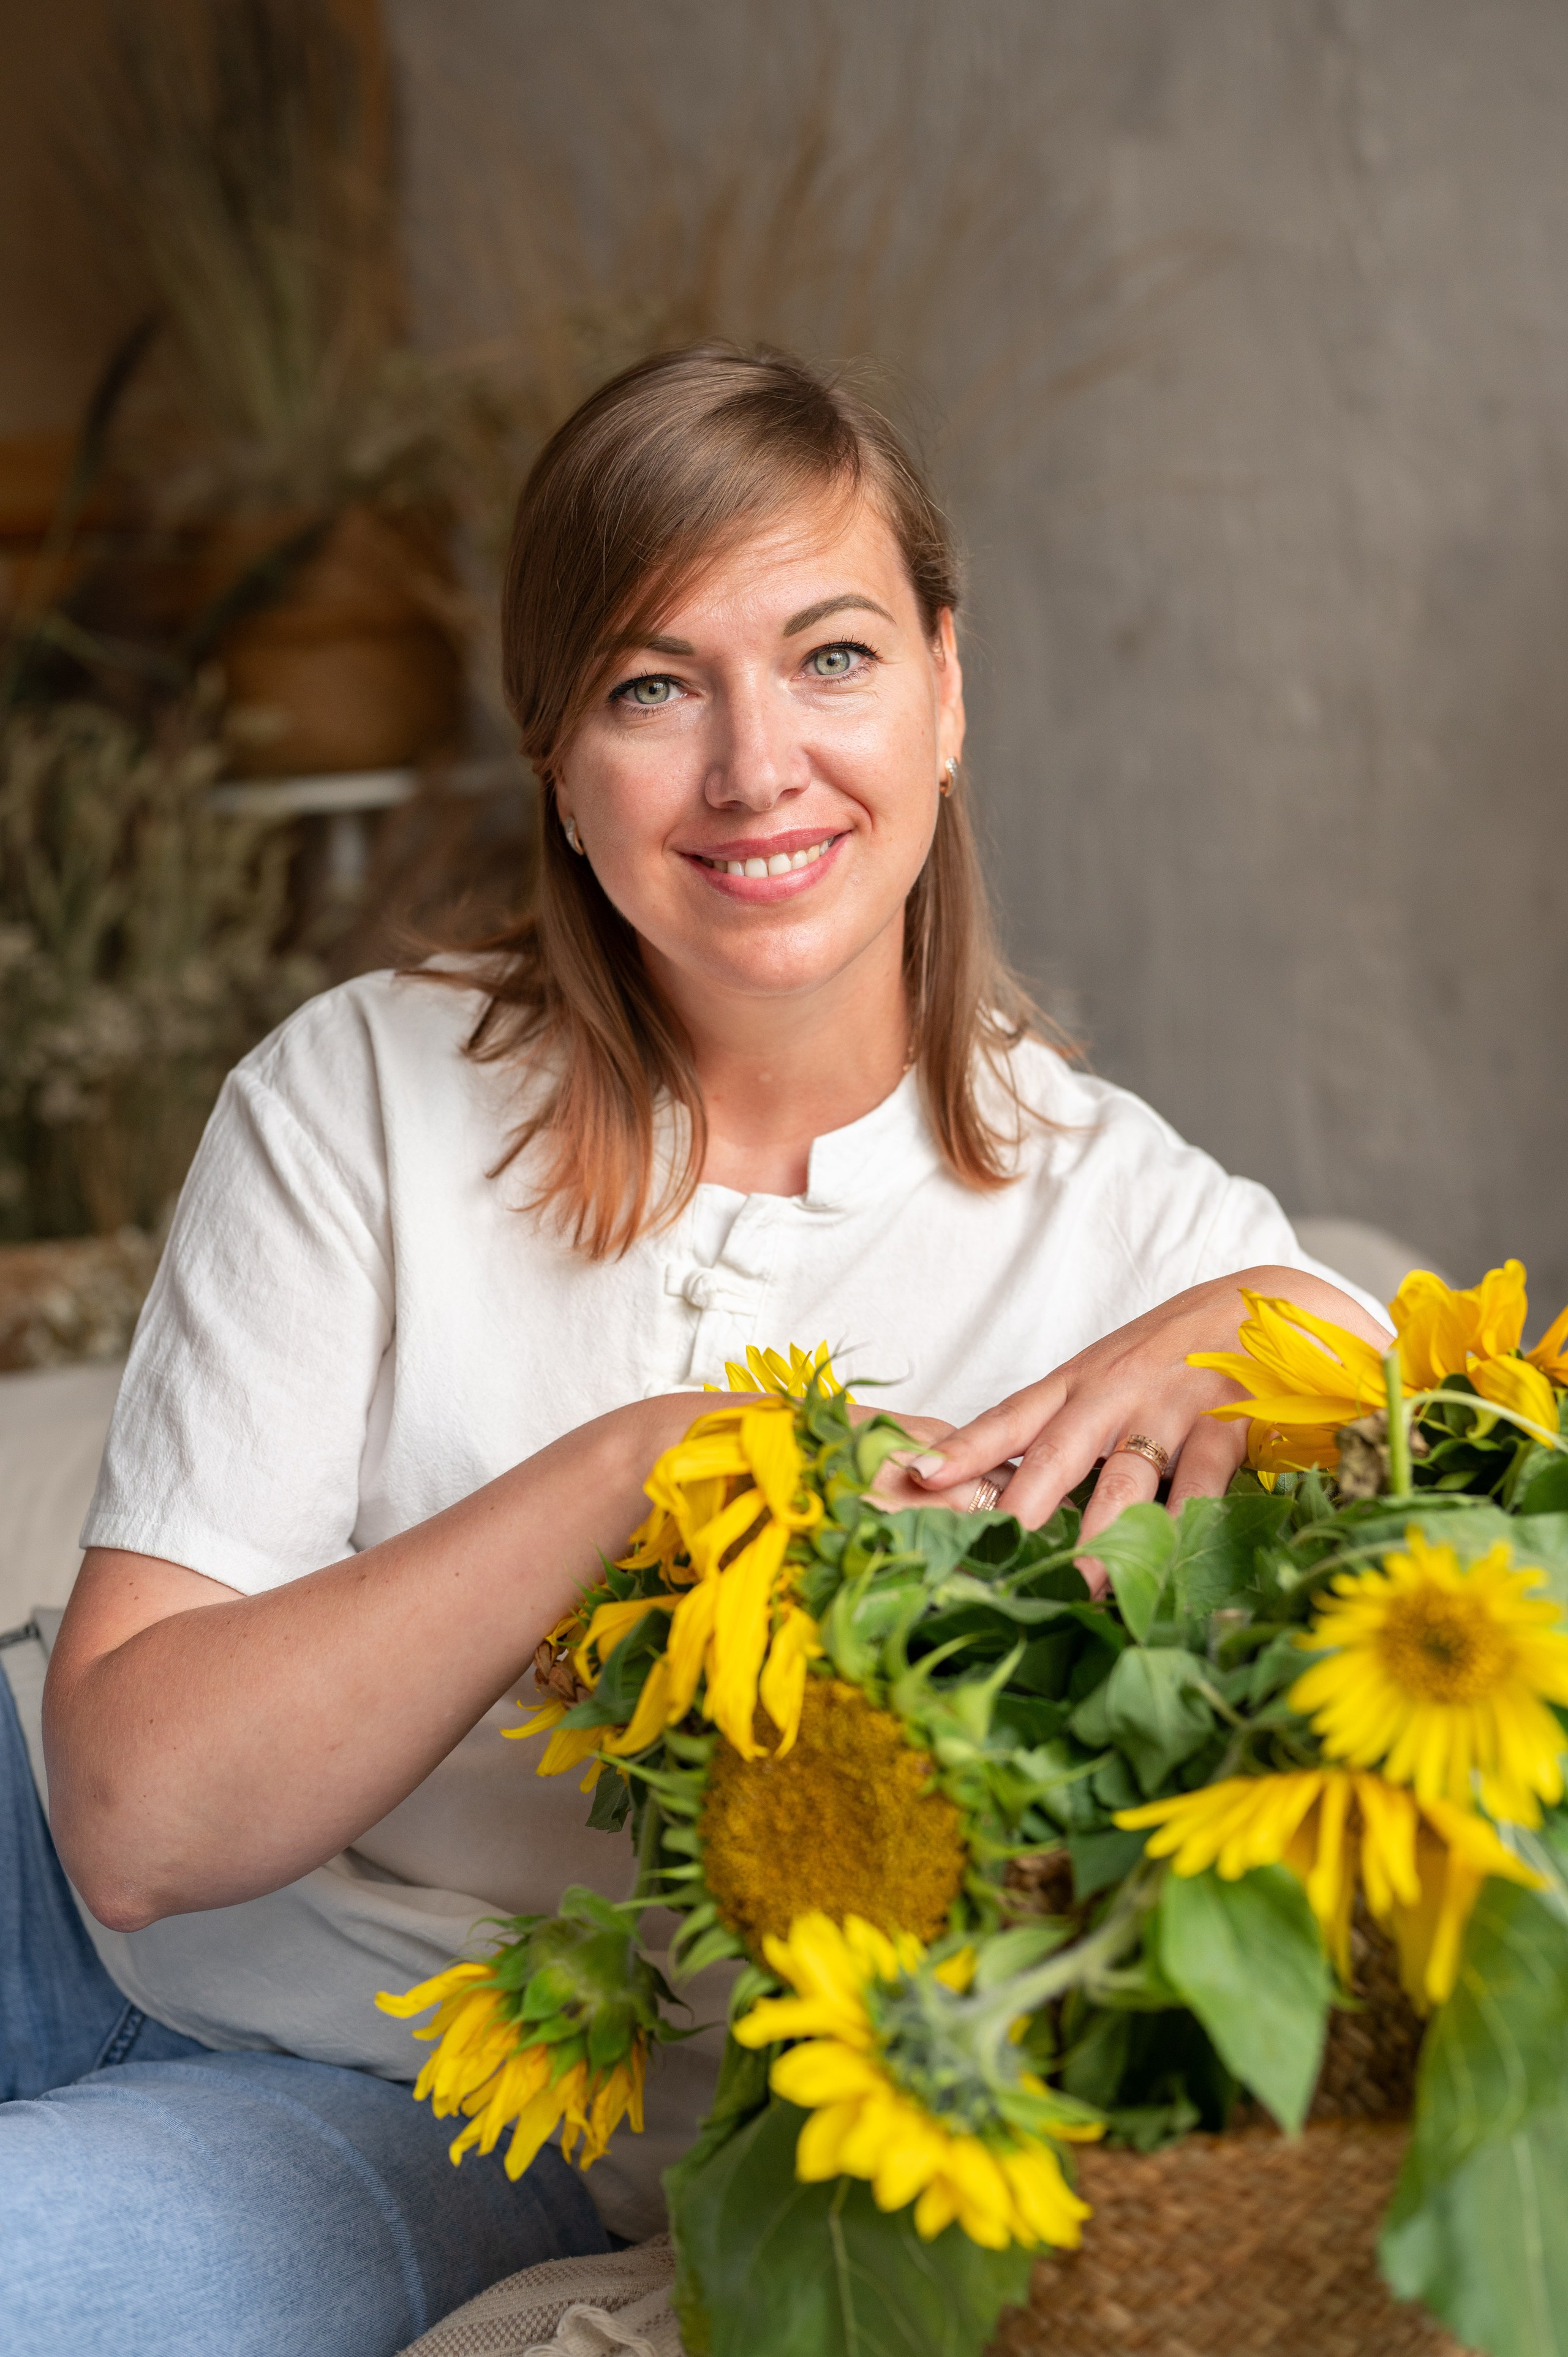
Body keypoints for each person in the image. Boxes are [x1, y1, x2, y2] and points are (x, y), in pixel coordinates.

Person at [0, 345, 1389, 2355]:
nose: (757, 771)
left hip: (454, 2102)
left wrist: (1310, 1323)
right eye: (656, 687)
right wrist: (640, 1467)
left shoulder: (1129, 1231)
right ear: (559, 758)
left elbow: (1417, 1432)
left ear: (946, 683)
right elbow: (127, 1817)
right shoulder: (363, 1094)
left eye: (832, 657)